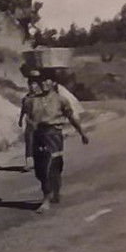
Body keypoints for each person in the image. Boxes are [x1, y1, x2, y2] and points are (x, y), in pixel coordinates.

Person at [28, 72, 88, 205]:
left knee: (52, 166)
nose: (43, 84)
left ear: (53, 83)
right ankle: (51, 193)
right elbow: (29, 122)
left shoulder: (61, 100)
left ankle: (47, 198)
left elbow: (72, 117)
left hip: (54, 135)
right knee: (40, 169)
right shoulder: (32, 100)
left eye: (46, 80)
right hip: (39, 135)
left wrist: (82, 133)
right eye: (41, 81)